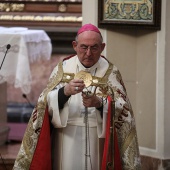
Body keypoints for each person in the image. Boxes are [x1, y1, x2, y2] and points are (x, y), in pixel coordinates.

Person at [13, 24, 141, 170]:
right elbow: (44, 102)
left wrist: (99, 103)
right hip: (66, 137)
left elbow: (123, 109)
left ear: (102, 47)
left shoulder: (110, 71)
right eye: (83, 47)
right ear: (75, 45)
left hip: (97, 139)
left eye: (94, 47)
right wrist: (64, 92)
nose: (88, 53)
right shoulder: (63, 68)